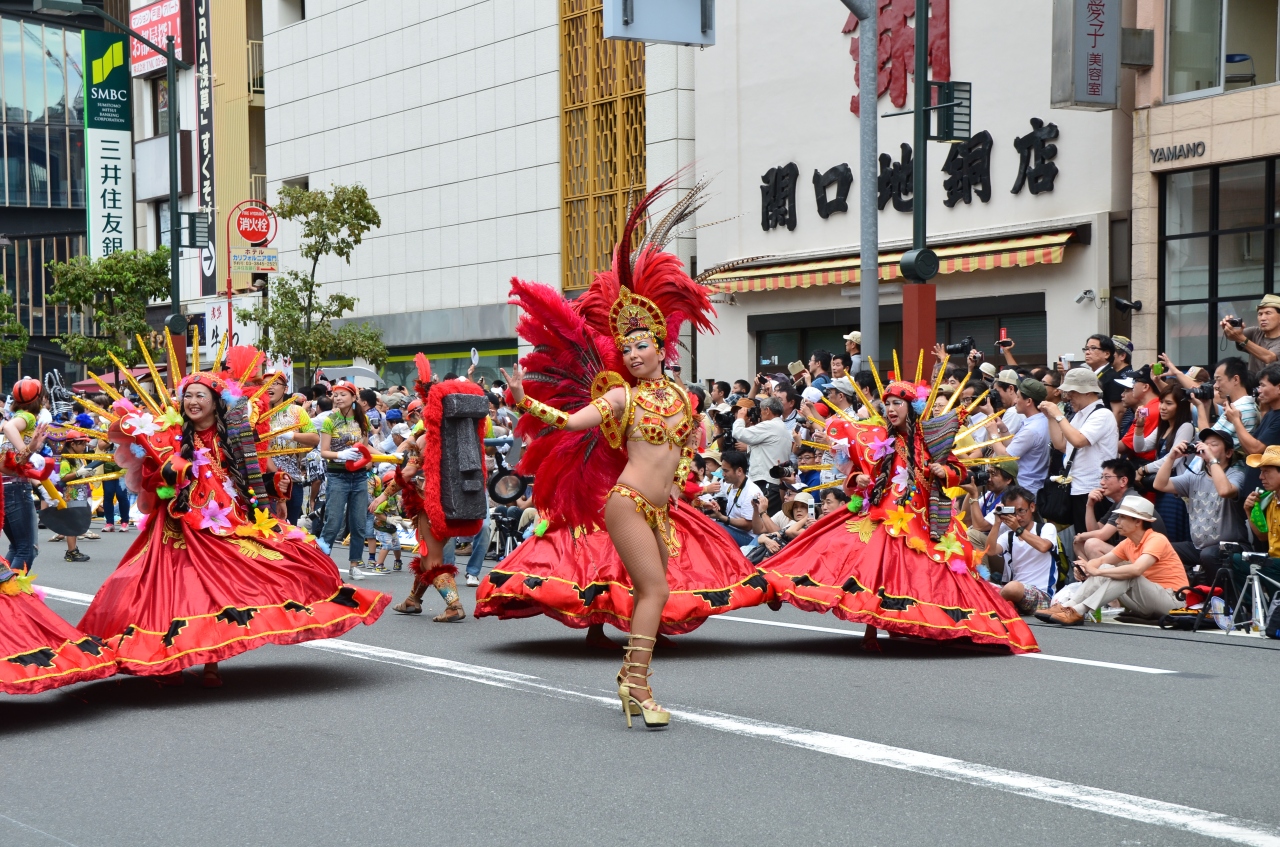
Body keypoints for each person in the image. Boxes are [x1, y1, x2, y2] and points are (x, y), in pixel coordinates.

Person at [490, 183, 743, 729]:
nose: (632, 353)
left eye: (640, 344)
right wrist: (523, 402)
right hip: (626, 502)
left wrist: (685, 478)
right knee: (654, 590)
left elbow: (686, 449)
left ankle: (633, 682)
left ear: (660, 344)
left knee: (657, 589)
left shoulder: (683, 397)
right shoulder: (618, 396)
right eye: (625, 347)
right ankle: (636, 686)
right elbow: (571, 421)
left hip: (659, 508)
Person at [77, 363, 389, 686]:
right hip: (178, 526)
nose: (193, 401)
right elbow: (154, 478)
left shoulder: (237, 434)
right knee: (177, 592)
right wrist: (171, 471)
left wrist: (276, 484)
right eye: (188, 396)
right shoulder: (170, 433)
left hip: (228, 520)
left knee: (225, 589)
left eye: (200, 395)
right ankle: (172, 659)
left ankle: (211, 662)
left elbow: (257, 470)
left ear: (215, 401)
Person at [763, 371, 1039, 653]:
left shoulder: (931, 439)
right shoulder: (878, 438)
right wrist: (855, 478)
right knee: (865, 564)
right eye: (888, 404)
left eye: (898, 403)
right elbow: (855, 460)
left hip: (925, 519)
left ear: (912, 408)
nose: (892, 409)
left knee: (919, 574)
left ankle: (916, 623)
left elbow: (959, 469)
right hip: (882, 512)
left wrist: (945, 471)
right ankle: (862, 627)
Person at [1038, 496, 1187, 625]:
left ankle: (1079, 611)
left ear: (1138, 522)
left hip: (1172, 601)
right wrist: (1087, 567)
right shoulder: (1128, 542)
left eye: (1123, 517)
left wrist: (1097, 571)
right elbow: (1100, 561)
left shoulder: (1156, 539)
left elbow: (1137, 570)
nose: (1117, 522)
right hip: (1147, 601)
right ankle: (1069, 605)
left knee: (1128, 574)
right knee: (1106, 567)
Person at [1152, 428, 1247, 576]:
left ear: (1229, 453)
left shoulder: (1236, 475)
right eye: (1205, 444)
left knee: (1208, 554)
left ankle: (1221, 596)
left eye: (1213, 445)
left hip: (1231, 547)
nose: (1206, 448)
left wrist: (1212, 459)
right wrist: (1171, 457)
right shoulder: (1194, 478)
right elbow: (1160, 485)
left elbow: (1224, 491)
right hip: (1199, 548)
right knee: (1160, 548)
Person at [1040, 368, 1119, 534]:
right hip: (1078, 487)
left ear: (1088, 392)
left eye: (1072, 392)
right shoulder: (1080, 415)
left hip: (1095, 489)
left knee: (1091, 539)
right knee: (1081, 538)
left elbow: (1078, 440)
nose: (1068, 397)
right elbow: (1061, 444)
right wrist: (1051, 418)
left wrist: (1059, 416)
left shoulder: (1102, 414)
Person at [316, 381, 372, 581]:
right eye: (335, 394)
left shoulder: (363, 420)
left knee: (358, 523)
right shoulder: (330, 420)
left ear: (354, 397)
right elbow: (323, 451)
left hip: (358, 478)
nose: (338, 398)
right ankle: (322, 562)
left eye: (342, 394)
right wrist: (341, 455)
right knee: (333, 521)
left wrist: (371, 460)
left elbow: (366, 449)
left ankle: (355, 564)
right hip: (337, 476)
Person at [981, 485, 1058, 615]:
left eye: (1021, 511)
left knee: (1012, 587)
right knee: (981, 585)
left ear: (1032, 507)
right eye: (1012, 512)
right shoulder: (1008, 536)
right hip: (1014, 592)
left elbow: (1043, 546)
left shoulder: (1046, 528)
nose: (1017, 517)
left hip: (1042, 596)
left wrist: (1018, 529)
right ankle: (1006, 605)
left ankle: (994, 605)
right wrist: (997, 523)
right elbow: (990, 551)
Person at [1073, 458, 1167, 559]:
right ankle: (1087, 573)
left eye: (1106, 477)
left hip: (1146, 557)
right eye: (1101, 477)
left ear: (1123, 481)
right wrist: (1090, 506)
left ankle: (1095, 573)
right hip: (1131, 553)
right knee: (1080, 543)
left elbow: (1102, 535)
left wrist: (1081, 536)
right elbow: (1094, 531)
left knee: (1092, 544)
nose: (1101, 482)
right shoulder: (1119, 502)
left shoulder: (1131, 500)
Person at [1, 378, 48, 573]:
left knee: (17, 547)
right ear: (39, 398)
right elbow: (7, 427)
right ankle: (11, 599)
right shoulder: (27, 417)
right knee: (27, 549)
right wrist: (27, 449)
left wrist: (29, 451)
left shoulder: (18, 414)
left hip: (7, 484)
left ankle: (5, 591)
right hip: (15, 487)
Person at [265, 372, 321, 525]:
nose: (269, 387)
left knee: (291, 531)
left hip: (293, 481)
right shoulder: (256, 414)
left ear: (285, 389)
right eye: (265, 384)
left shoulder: (297, 412)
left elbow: (314, 439)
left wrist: (292, 436)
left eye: (275, 383)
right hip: (265, 483)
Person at [983, 378, 1050, 496]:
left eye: (1018, 397)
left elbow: (1006, 457)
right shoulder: (1042, 420)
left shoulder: (1031, 429)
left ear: (1029, 401)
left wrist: (994, 433)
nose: (1015, 400)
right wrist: (1003, 430)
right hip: (1031, 485)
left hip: (1024, 488)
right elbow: (1015, 449)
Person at [1225, 362, 1280, 497]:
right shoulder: (1271, 414)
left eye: (1262, 385)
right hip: (1256, 492)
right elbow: (1249, 449)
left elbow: (1255, 449)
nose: (1258, 390)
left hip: (1269, 498)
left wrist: (1236, 421)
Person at [731, 395, 791, 514]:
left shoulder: (770, 426)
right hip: (773, 483)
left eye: (761, 411)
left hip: (766, 483)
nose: (760, 414)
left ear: (767, 410)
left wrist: (740, 418)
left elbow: (738, 433)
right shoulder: (782, 427)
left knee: (761, 520)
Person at [708, 450, 765, 547]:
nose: (723, 474)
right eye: (722, 470)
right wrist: (712, 503)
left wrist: (722, 518)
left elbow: (748, 525)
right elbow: (711, 493)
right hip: (733, 530)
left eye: (726, 471)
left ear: (739, 471)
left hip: (750, 538)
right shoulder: (729, 484)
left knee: (714, 526)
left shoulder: (752, 492)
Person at [1221, 293, 1280, 373]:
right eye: (1260, 314)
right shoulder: (1255, 332)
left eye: (1268, 313)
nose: (1263, 318)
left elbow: (1269, 357)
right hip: (1252, 384)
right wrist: (1228, 328)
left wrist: (1241, 339)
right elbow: (1232, 336)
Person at [1117, 367, 1160, 460]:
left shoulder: (1147, 411)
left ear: (1145, 387)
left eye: (1135, 381)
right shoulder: (1155, 406)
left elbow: (1123, 447)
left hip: (1143, 464)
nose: (1133, 385)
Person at [1080, 334, 1123, 423]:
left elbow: (1118, 411)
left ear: (1106, 354)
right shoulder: (1089, 375)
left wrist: (1110, 432)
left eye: (1093, 348)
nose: (1087, 352)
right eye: (1086, 349)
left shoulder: (1112, 377)